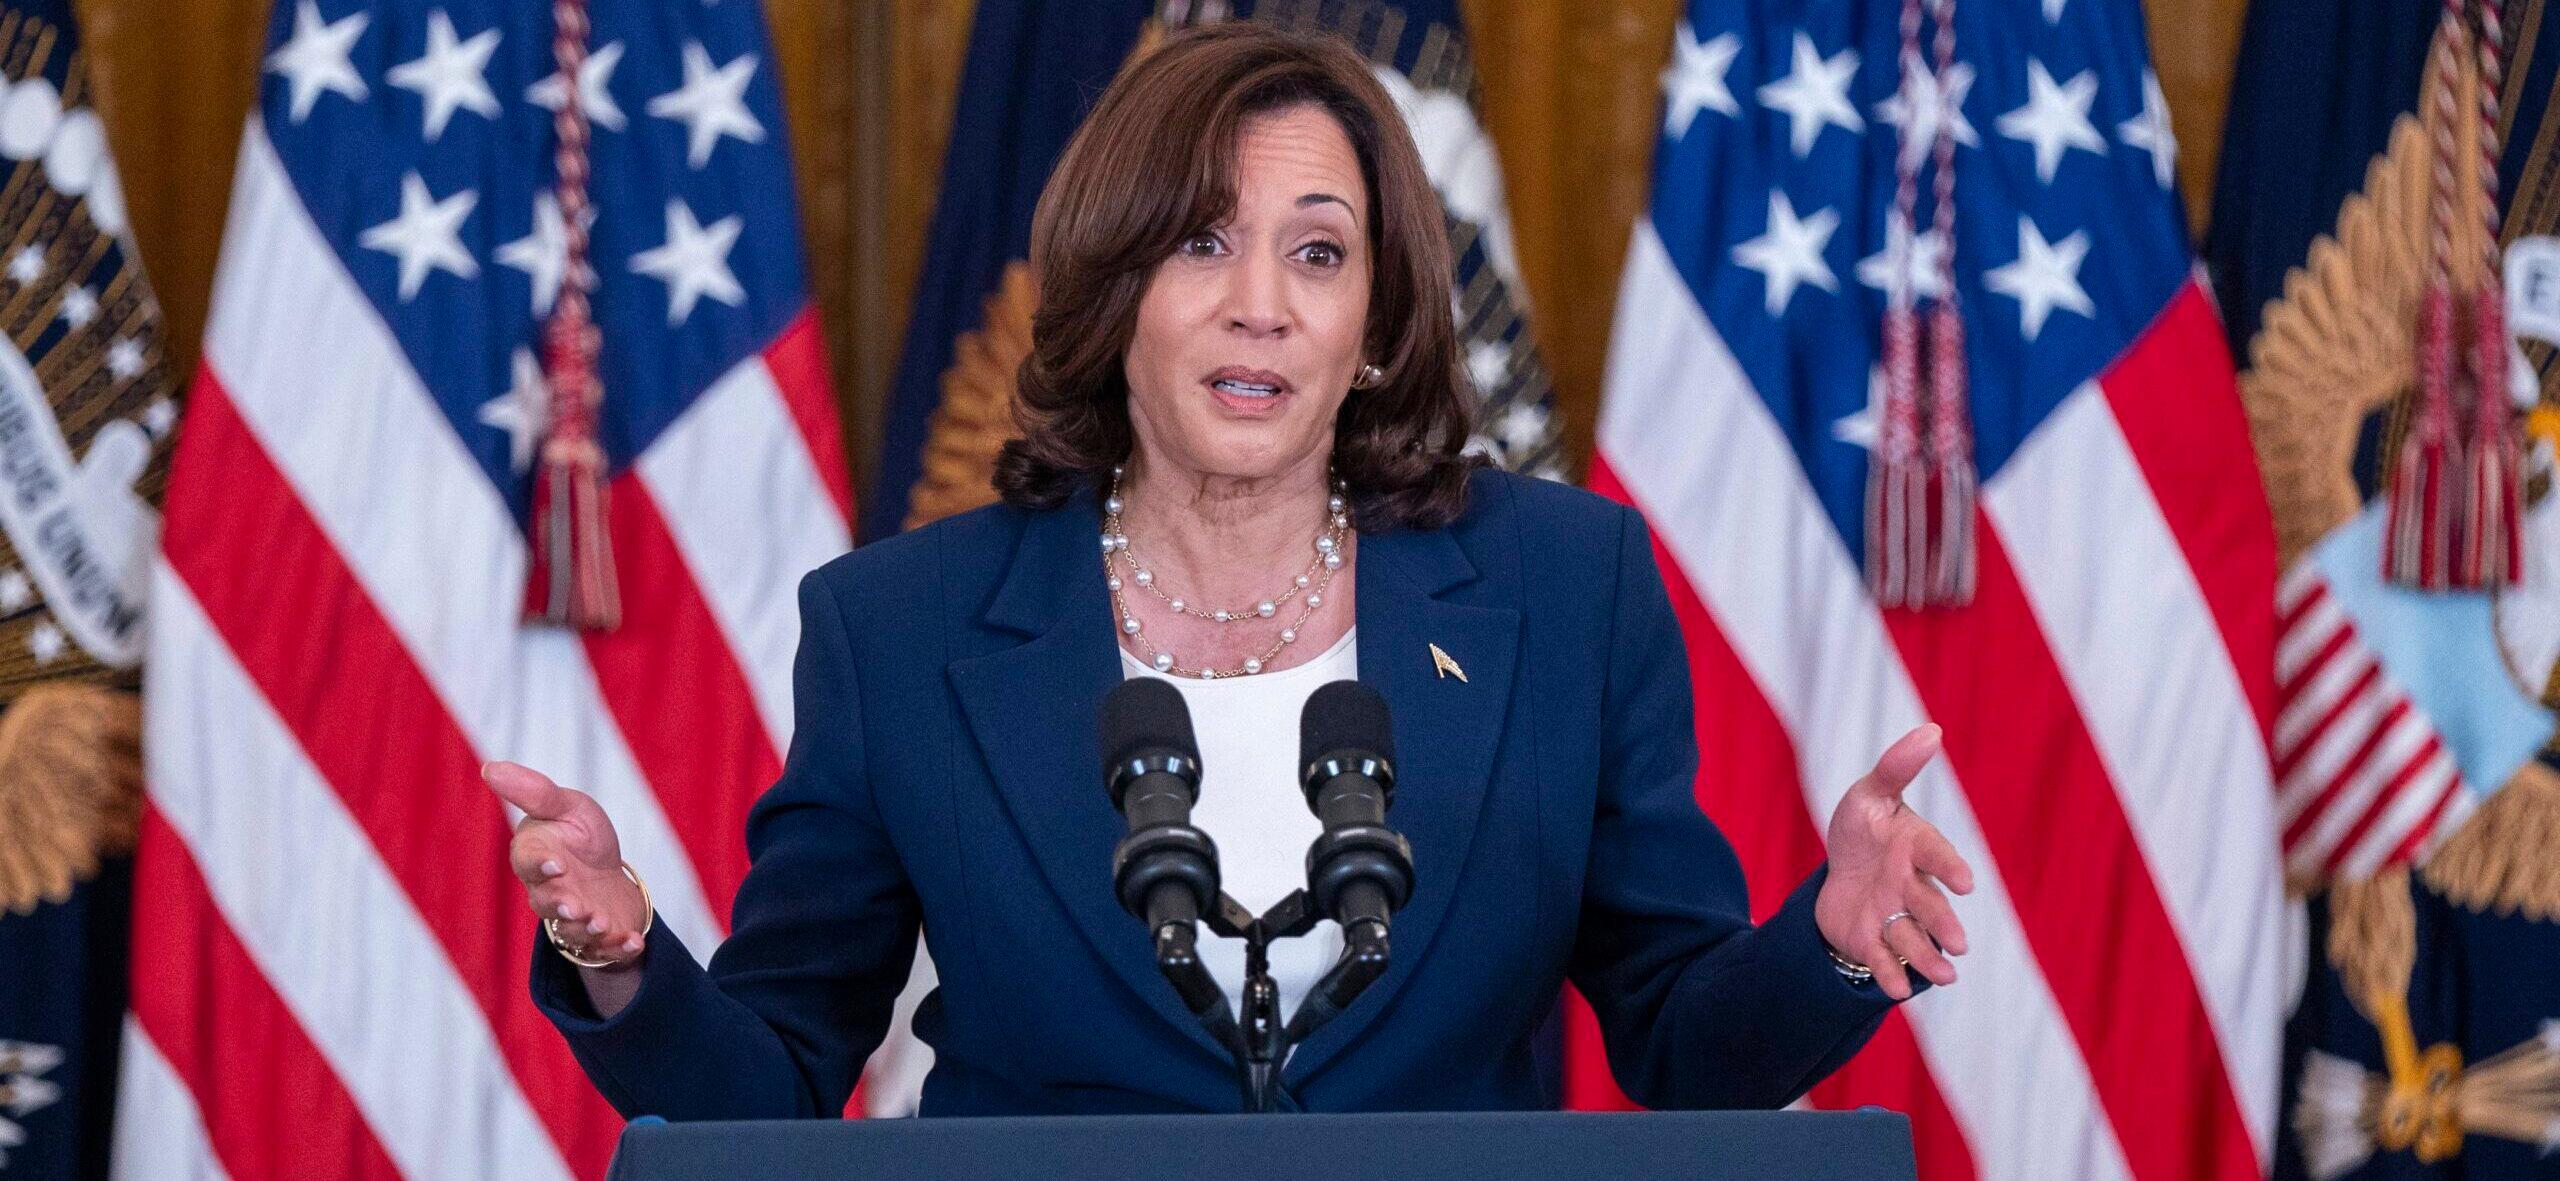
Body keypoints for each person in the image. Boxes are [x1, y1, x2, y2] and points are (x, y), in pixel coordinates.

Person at [484, 21, 1974, 1120]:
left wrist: (1830, 951)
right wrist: (622, 959)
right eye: (1202, 242)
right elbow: (780, 1075)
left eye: (1318, 255)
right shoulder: (901, 628)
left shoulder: (1565, 587)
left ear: (1378, 323)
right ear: (1113, 285)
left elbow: (1680, 1035)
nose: (1261, 305)